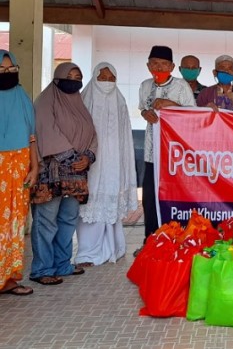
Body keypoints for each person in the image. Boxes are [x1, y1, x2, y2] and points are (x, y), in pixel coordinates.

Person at [30, 62, 97, 285]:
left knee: (68, 220)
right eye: (69, 75)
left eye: (78, 76)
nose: (74, 79)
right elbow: (46, 130)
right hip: (51, 174)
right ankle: (42, 269)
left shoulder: (80, 105)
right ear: (58, 77)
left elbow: (92, 134)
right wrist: (72, 158)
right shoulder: (45, 101)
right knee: (46, 221)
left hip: (76, 176)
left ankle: (62, 264)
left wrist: (88, 156)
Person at [75, 63, 138, 267]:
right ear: (94, 79)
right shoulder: (84, 99)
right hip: (90, 164)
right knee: (89, 205)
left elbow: (125, 139)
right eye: (103, 78)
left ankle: (113, 247)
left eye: (112, 79)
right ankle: (87, 252)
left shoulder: (119, 101)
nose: (108, 83)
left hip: (113, 163)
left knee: (109, 204)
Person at [138, 46, 196, 250]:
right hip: (152, 152)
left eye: (163, 64)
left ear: (171, 67)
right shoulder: (145, 85)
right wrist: (146, 113)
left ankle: (175, 241)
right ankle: (151, 242)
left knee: (174, 198)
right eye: (154, 63)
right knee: (150, 199)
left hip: (175, 155)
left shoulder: (181, 87)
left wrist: (170, 104)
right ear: (148, 65)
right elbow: (143, 109)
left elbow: (193, 116)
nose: (158, 67)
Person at [0, 50, 38, 296]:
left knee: (16, 223)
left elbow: (32, 137)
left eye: (11, 70)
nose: (7, 74)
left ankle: (10, 279)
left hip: (20, 167)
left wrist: (35, 167)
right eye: (2, 71)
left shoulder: (22, 97)